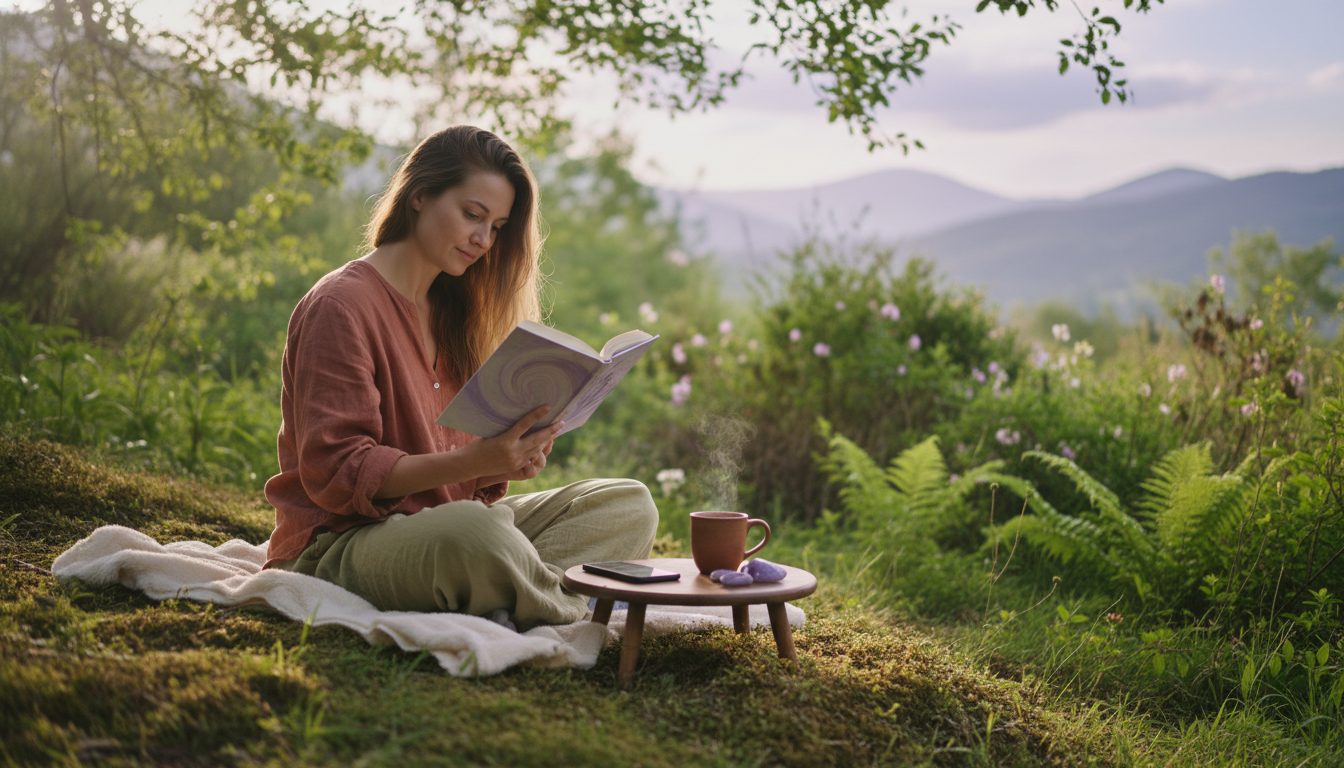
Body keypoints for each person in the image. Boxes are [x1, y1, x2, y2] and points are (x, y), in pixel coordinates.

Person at [263, 126, 659, 631]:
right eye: (472, 215)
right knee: (476, 533)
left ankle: (507, 595)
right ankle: (560, 609)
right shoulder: (340, 304)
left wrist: (505, 460)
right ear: (420, 195)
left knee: (626, 504)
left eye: (496, 226)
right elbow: (338, 471)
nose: (482, 239)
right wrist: (472, 461)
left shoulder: (454, 310)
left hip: (445, 525)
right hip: (342, 545)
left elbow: (459, 465)